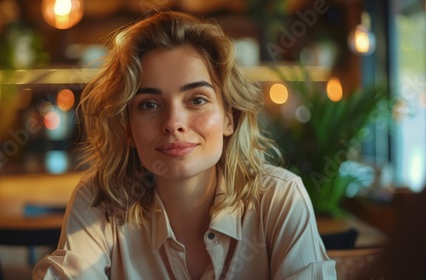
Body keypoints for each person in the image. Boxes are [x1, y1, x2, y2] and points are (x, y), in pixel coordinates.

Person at [33, 10, 336, 280]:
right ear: (127, 128)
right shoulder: (100, 201)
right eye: (150, 105)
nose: (173, 122)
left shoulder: (280, 199)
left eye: (197, 100)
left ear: (229, 117)